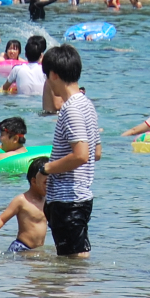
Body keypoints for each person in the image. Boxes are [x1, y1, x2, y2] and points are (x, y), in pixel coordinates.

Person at [42, 44, 98, 257]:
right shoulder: (87, 104)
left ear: (54, 74)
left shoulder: (71, 108)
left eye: (47, 76)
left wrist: (47, 168)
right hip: (80, 196)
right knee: (71, 265)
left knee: (74, 265)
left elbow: (81, 155)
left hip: (68, 200)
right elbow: (97, 152)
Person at [0, 157, 50, 252]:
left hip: (36, 250)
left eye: (52, 182)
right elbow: (2, 218)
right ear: (34, 181)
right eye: (46, 182)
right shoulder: (22, 200)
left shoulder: (47, 200)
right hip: (21, 247)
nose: (50, 186)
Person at [4, 34, 48, 102]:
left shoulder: (17, 69)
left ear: (25, 55)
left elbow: (5, 88)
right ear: (41, 56)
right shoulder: (45, 70)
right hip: (40, 102)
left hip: (21, 102)